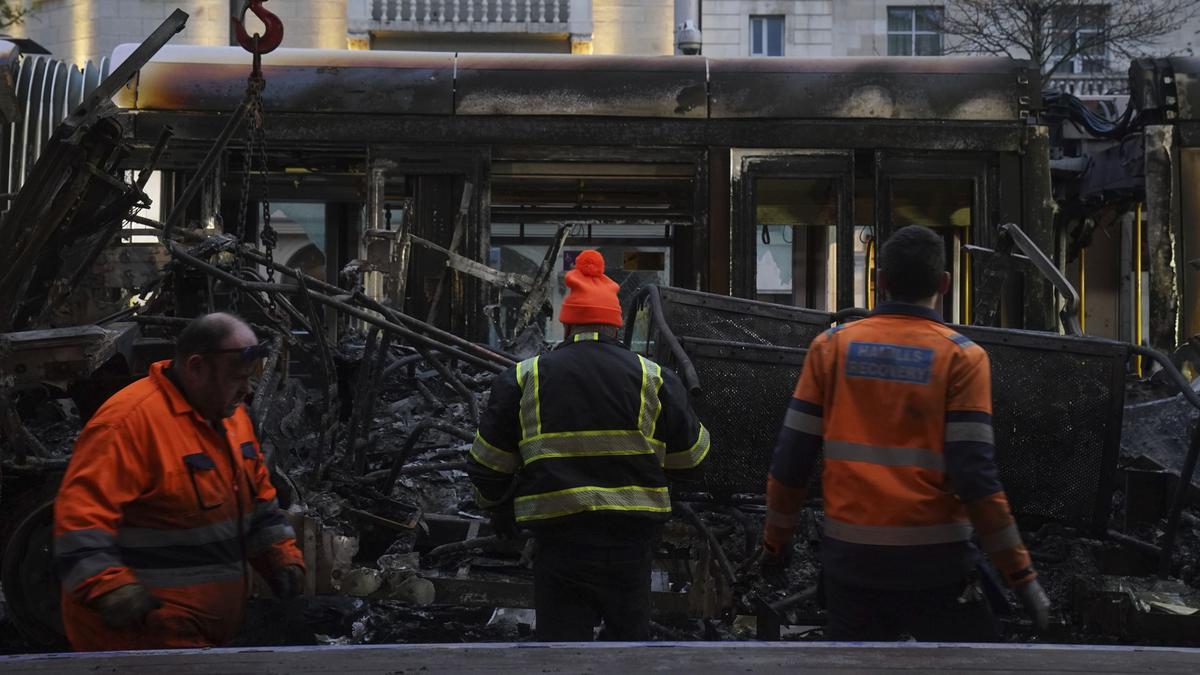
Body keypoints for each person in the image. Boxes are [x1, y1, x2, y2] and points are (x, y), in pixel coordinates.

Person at [762, 225, 1050, 641]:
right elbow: (976, 480)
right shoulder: (963, 358)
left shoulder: (831, 348)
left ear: (879, 282)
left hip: (851, 564)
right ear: (945, 284)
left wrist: (775, 545)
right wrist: (1021, 577)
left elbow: (791, 463)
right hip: (937, 568)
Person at [467, 249, 710, 641]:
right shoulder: (654, 377)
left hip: (559, 547)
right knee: (628, 652)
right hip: (631, 545)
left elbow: (488, 469)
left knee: (562, 653)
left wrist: (498, 510)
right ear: (616, 326)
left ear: (566, 327)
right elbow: (693, 460)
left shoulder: (524, 378)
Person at [54, 313, 304, 651]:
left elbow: (258, 499)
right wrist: (110, 589)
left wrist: (280, 557)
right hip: (139, 640)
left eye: (249, 378)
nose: (247, 390)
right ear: (197, 367)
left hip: (200, 635)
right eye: (237, 377)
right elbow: (79, 522)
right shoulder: (128, 424)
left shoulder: (234, 419)